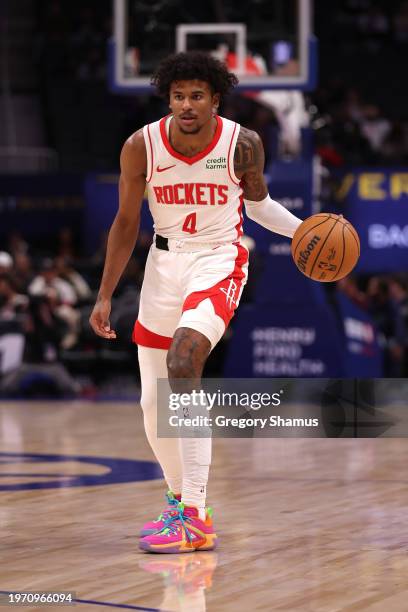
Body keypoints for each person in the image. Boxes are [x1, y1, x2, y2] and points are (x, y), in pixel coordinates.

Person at [89, 51, 302, 553]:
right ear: (169, 98)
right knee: (151, 403)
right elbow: (125, 224)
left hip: (218, 258)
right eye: (179, 96)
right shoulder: (140, 145)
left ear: (215, 99)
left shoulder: (241, 143)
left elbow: (258, 205)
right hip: (163, 267)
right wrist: (104, 294)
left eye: (197, 96)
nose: (187, 104)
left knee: (185, 359)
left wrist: (302, 231)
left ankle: (196, 515)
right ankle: (177, 499)